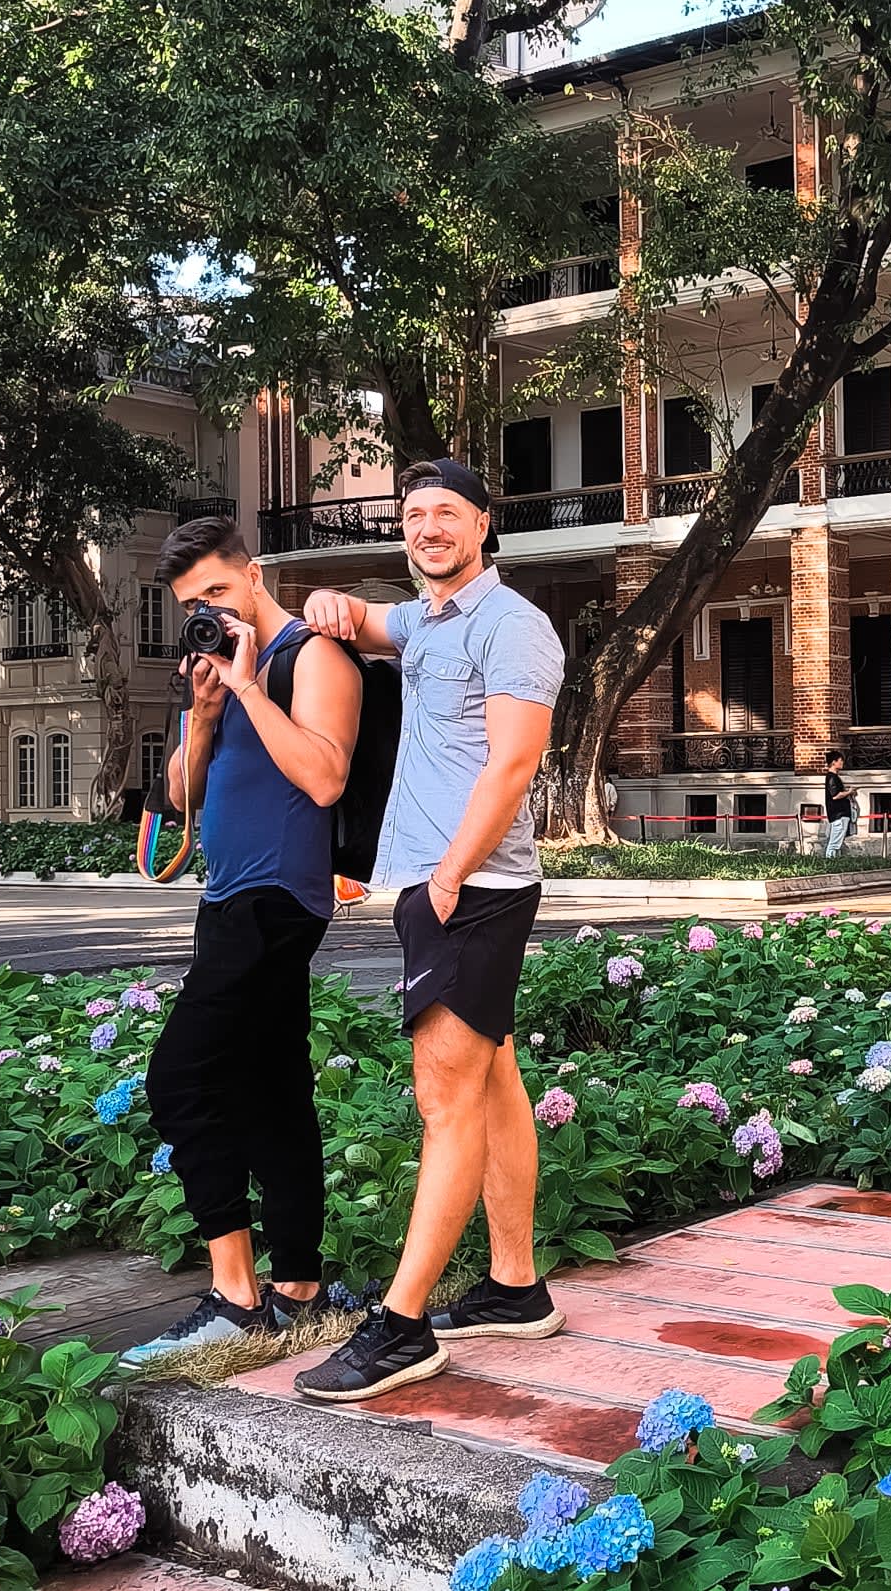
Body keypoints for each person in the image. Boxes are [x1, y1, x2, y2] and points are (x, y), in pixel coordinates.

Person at [293, 458, 565, 1401]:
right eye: (412, 515)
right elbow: (365, 621)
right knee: (491, 1079)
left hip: (474, 882)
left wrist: (448, 876)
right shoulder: (425, 619)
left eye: (445, 512)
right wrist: (330, 598)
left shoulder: (513, 625)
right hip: (436, 880)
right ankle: (515, 1286)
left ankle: (402, 1325)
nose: (427, 527)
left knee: (444, 1098)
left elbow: (515, 762)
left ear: (485, 523)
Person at [120, 516, 362, 1367]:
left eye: (220, 592)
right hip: (226, 899)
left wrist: (253, 685)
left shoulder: (312, 657)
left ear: (253, 576)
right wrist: (206, 706)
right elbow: (181, 788)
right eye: (195, 604)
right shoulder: (216, 675)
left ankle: (235, 1296)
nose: (212, 612)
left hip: (276, 901)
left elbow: (328, 774)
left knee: (180, 1079)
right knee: (273, 1089)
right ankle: (297, 1281)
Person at [823, 751, 855, 858]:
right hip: (838, 813)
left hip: (839, 813)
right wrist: (849, 792)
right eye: (840, 760)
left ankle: (833, 859)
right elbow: (835, 795)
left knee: (837, 840)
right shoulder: (832, 778)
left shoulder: (833, 777)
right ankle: (830, 860)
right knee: (835, 841)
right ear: (833, 762)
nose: (842, 763)